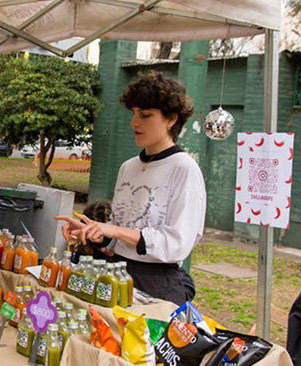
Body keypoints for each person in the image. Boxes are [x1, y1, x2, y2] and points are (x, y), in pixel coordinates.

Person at [55, 71, 205, 305]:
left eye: (145, 115)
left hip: (157, 284)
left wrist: (114, 231)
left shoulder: (184, 169)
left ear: (172, 119)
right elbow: (119, 231)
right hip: (115, 273)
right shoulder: (128, 167)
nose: (134, 122)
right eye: (134, 114)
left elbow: (178, 243)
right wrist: (94, 232)